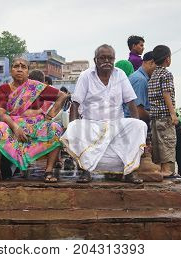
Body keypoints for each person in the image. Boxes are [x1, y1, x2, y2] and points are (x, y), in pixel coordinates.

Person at [61, 44, 147, 183]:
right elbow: (75, 103)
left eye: (110, 58)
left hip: (116, 124)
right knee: (75, 127)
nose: (107, 61)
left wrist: (135, 122)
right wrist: (72, 127)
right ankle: (85, 171)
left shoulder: (120, 74)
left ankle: (131, 171)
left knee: (139, 125)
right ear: (96, 60)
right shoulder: (86, 76)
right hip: (91, 124)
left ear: (114, 59)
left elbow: (131, 102)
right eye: (102, 58)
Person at [0, 57, 68, 183]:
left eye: (23, 67)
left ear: (28, 72)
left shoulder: (36, 87)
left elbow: (62, 96)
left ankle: (48, 170)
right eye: (16, 66)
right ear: (11, 70)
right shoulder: (4, 88)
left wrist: (49, 117)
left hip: (36, 127)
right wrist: (16, 128)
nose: (19, 69)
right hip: (12, 126)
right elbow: (3, 114)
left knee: (55, 128)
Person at [148, 45, 177, 176]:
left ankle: (161, 170)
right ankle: (167, 171)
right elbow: (166, 94)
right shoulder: (166, 74)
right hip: (165, 116)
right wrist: (173, 114)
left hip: (154, 117)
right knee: (168, 143)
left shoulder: (153, 74)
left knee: (158, 146)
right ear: (167, 59)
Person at [123, 51, 156, 121]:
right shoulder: (140, 80)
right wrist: (156, 118)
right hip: (132, 124)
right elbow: (139, 112)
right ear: (151, 63)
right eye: (158, 67)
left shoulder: (137, 76)